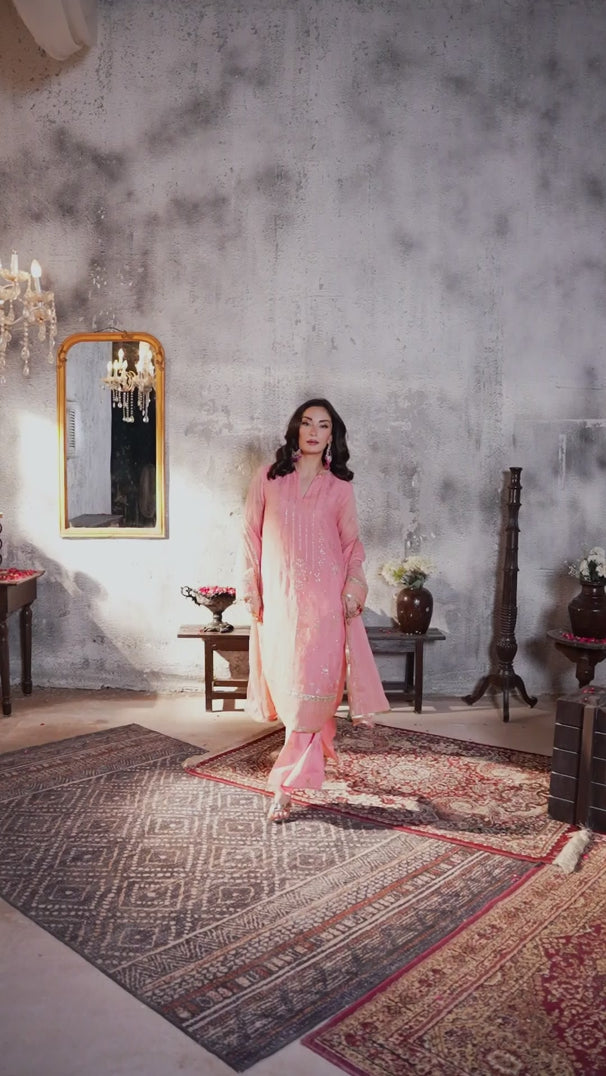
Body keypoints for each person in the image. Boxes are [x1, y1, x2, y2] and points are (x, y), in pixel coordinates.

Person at [241, 398, 389, 822]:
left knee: (311, 690)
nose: (313, 431)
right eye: (307, 423)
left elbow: (351, 546)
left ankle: (285, 787)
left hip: (324, 605)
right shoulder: (268, 478)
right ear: (296, 429)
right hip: (281, 603)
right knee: (291, 688)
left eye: (323, 426)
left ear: (331, 436)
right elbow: (250, 535)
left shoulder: (340, 488)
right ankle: (309, 760)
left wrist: (352, 589)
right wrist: (251, 587)